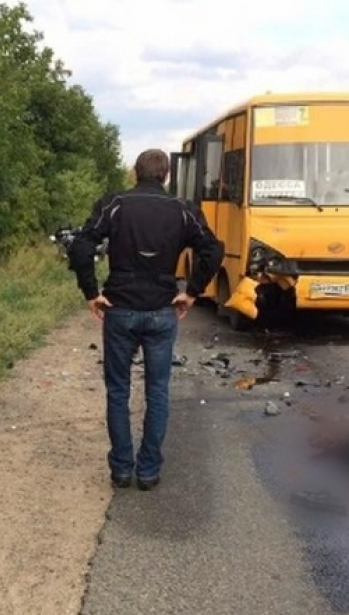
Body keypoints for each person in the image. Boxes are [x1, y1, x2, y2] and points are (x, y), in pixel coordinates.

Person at [69, 149, 224, 490]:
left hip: (120, 308)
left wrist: (91, 292)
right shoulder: (182, 209)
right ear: (166, 175)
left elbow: (81, 245)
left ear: (136, 173)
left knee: (118, 391)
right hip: (161, 309)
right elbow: (213, 249)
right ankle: (149, 470)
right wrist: (193, 291)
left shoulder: (116, 203)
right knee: (157, 391)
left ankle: (122, 469)